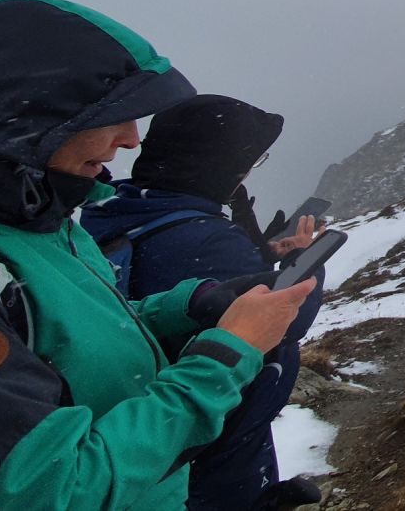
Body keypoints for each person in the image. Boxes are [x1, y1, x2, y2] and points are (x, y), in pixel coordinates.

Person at [0, 0, 316, 511]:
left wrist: (191, 305)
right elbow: (51, 492)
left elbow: (67, 336)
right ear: (22, 117)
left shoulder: (35, 222)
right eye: (113, 115)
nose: (133, 141)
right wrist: (227, 354)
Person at [81, 95, 325, 511]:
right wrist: (306, 266)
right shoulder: (209, 238)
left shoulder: (117, 211)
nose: (248, 171)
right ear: (219, 163)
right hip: (201, 453)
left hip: (139, 431)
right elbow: (282, 319)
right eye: (251, 160)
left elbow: (173, 274)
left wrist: (262, 254)